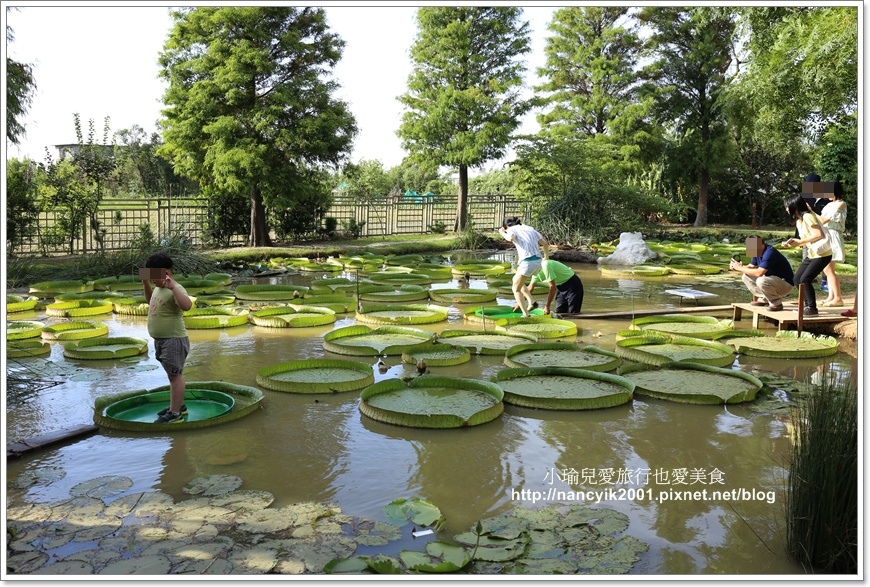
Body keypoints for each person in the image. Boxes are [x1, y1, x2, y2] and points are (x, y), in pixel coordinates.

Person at [143, 252, 193, 423]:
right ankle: (178, 405)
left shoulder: (175, 288)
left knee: (175, 376)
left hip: (174, 340)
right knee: (172, 374)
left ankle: (175, 414)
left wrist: (173, 288)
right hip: (162, 340)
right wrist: (145, 283)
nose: (152, 278)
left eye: (153, 274)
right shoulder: (158, 287)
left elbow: (187, 306)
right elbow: (150, 301)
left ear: (166, 272)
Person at [781, 194, 833, 316]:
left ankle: (812, 308)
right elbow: (806, 238)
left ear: (794, 206)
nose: (787, 210)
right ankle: (806, 306)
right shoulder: (800, 220)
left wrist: (800, 242)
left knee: (805, 279)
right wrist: (791, 243)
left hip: (822, 254)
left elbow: (818, 234)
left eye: (788, 207)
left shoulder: (808, 217)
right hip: (812, 254)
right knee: (797, 279)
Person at [498, 216, 549, 318]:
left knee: (515, 289)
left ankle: (525, 314)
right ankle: (531, 301)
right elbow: (545, 243)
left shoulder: (511, 229)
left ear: (506, 226)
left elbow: (510, 238)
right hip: (537, 261)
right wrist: (546, 257)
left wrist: (502, 232)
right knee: (515, 280)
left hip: (527, 262)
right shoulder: (529, 228)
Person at [729, 236, 794, 312]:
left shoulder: (770, 252)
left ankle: (776, 303)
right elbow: (752, 266)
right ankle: (764, 298)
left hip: (785, 284)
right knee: (746, 276)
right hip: (772, 281)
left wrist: (740, 268)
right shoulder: (757, 251)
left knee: (761, 280)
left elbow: (759, 273)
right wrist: (738, 267)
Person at [818, 180, 847, 306]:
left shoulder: (840, 204)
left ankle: (838, 298)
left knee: (829, 269)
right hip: (826, 235)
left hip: (833, 236)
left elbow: (823, 220)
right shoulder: (829, 205)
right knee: (826, 269)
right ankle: (831, 296)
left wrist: (810, 212)